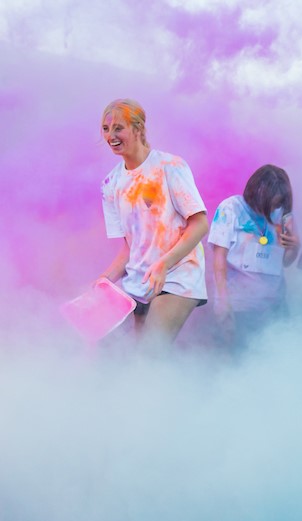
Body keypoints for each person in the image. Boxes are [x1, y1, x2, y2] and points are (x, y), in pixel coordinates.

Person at [98, 99, 208, 347]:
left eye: (119, 128)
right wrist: (104, 279)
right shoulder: (110, 184)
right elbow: (129, 248)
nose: (111, 136)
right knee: (122, 355)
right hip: (139, 280)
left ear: (138, 129)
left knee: (151, 354)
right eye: (106, 129)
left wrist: (163, 264)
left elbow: (200, 223)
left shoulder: (170, 166)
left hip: (178, 274)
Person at [208, 164, 299, 349]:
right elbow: (219, 260)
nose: (275, 207)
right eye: (272, 202)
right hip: (240, 306)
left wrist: (294, 247)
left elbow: (286, 262)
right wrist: (222, 302)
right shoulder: (230, 209)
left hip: (275, 306)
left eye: (279, 202)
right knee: (240, 360)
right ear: (258, 192)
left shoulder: (282, 214)